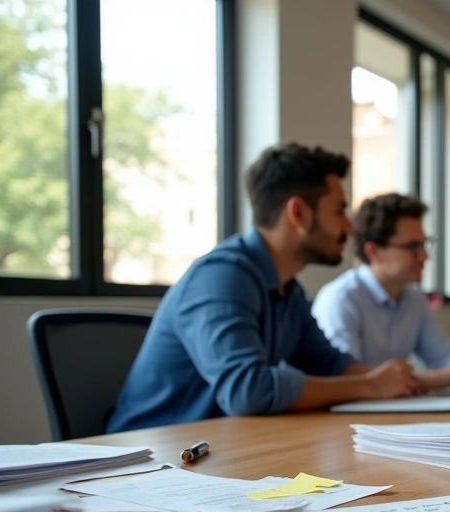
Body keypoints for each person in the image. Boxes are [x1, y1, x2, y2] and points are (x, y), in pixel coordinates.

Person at [106, 143, 421, 433]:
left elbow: (329, 364)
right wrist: (368, 386)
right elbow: (247, 391)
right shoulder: (221, 277)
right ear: (298, 212)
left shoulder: (289, 290)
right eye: (339, 210)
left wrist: (388, 381)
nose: (349, 226)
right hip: (147, 460)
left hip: (218, 450)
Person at [311, 193, 450, 390]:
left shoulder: (413, 297)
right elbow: (350, 378)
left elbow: (441, 355)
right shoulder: (341, 300)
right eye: (412, 247)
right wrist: (445, 377)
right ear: (374, 252)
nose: (424, 256)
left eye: (424, 244)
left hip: (394, 411)